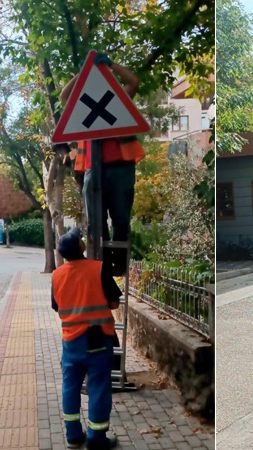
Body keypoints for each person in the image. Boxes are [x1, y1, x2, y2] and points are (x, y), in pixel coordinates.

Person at [60, 53, 144, 277]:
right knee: (96, 223)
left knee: (121, 220)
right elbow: (63, 96)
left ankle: (120, 262)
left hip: (121, 167)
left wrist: (111, 65)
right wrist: (85, 70)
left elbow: (134, 82)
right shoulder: (83, 106)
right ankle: (101, 263)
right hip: (92, 169)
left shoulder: (119, 100)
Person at [52, 227, 122, 449]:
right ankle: (96, 438)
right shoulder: (98, 269)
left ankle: (73, 435)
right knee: (99, 387)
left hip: (71, 342)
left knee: (70, 386)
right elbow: (113, 303)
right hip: (97, 340)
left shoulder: (56, 275)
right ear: (81, 248)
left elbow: (56, 306)